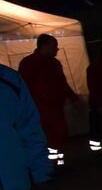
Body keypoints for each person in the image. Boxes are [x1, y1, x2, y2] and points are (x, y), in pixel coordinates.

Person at [18, 34, 83, 167]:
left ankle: (59, 163)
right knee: (49, 137)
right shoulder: (29, 63)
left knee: (60, 134)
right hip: (40, 108)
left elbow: (62, 83)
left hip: (56, 107)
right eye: (54, 46)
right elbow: (25, 87)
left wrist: (73, 98)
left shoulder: (55, 63)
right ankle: (50, 165)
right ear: (45, 45)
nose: (57, 49)